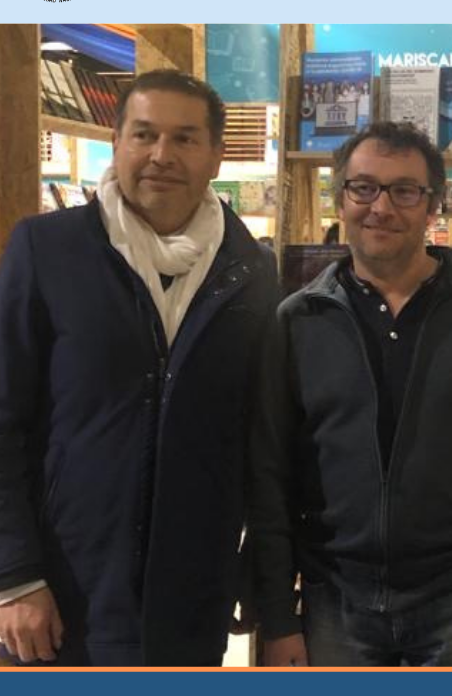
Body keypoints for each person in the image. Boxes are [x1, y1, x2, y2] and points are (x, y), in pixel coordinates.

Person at [0, 70, 279, 666]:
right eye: (144, 134)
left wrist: (256, 570)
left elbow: (259, 439)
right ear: (117, 142)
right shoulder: (47, 250)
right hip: (61, 594)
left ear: (216, 156)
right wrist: (15, 575)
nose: (161, 155)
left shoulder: (252, 270)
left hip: (192, 600)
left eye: (184, 138)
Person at [250, 121, 452, 667]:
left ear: (433, 205)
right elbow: (271, 475)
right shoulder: (298, 319)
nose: (381, 207)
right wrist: (277, 617)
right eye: (364, 187)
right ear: (340, 199)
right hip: (336, 602)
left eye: (404, 191)